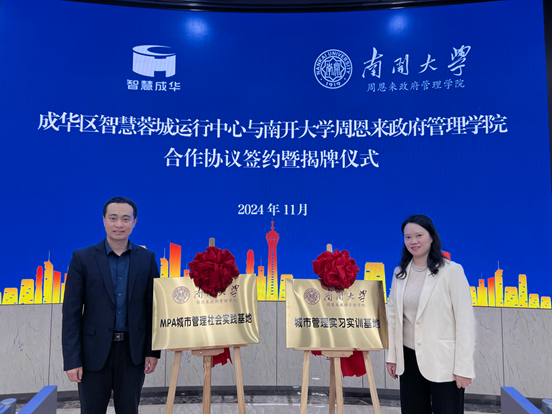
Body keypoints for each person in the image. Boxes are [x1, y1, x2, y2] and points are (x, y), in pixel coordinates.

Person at [62, 197, 160, 414]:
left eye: (125, 219)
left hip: (132, 354)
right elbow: (71, 314)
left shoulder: (147, 259)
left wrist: (152, 352)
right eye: (113, 218)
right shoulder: (83, 258)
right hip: (92, 354)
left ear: (134, 222)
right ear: (104, 220)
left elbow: (153, 310)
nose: (119, 224)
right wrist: (72, 360)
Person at [386, 214, 475, 414]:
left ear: (432, 237)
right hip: (408, 359)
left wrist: (464, 367)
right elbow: (393, 318)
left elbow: (465, 321)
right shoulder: (399, 273)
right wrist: (392, 356)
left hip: (444, 361)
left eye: (419, 235)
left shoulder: (451, 271)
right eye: (408, 237)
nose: (413, 241)